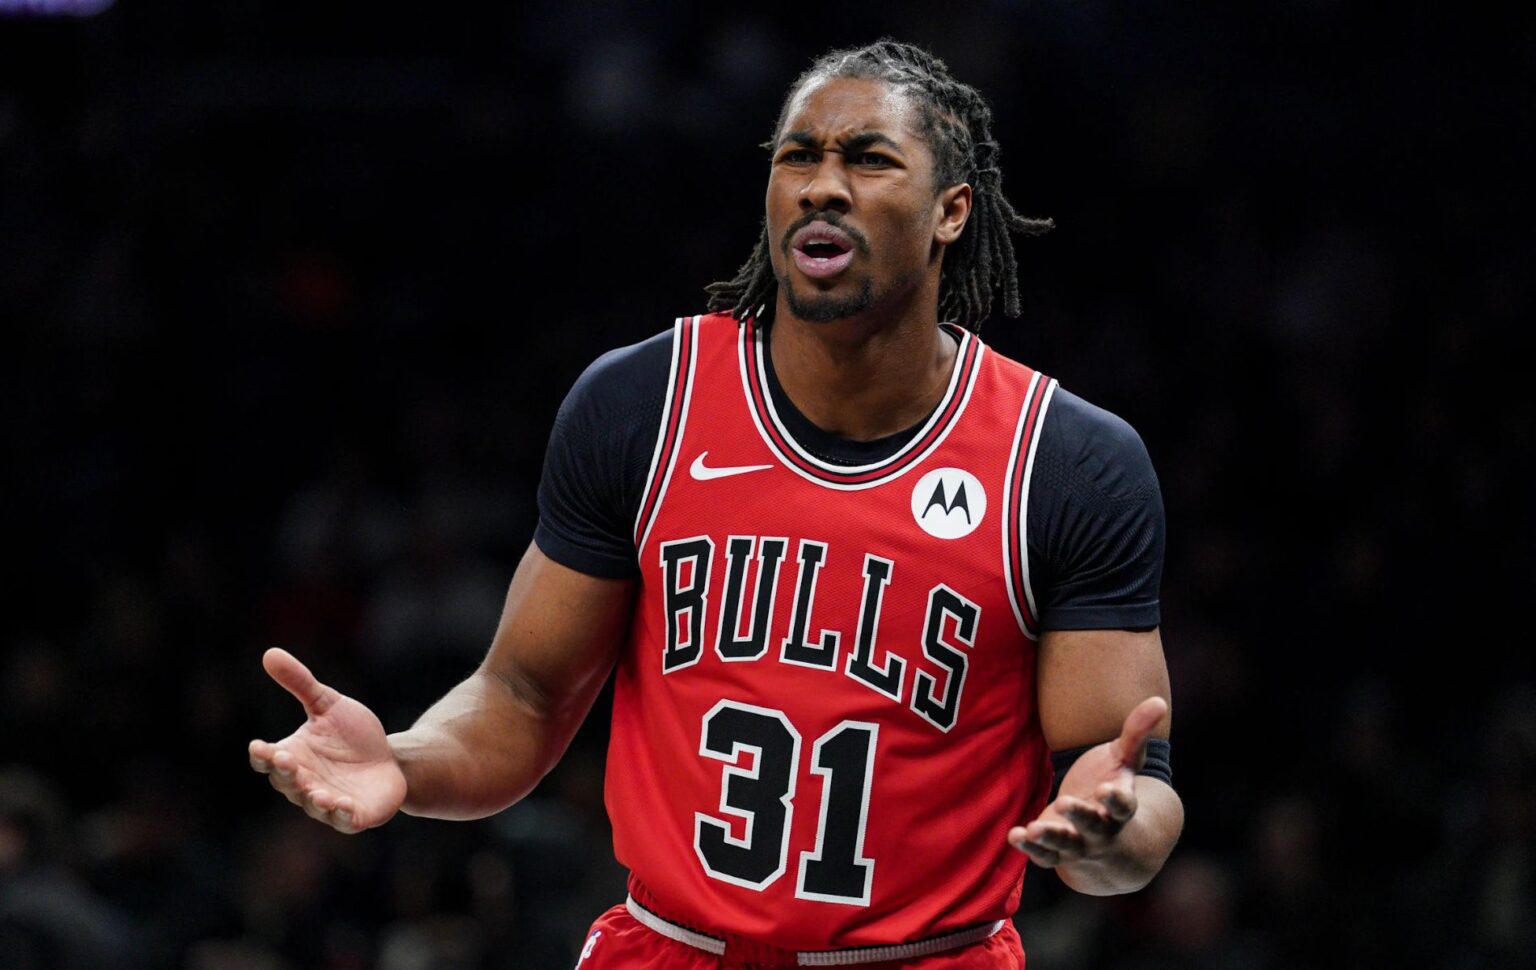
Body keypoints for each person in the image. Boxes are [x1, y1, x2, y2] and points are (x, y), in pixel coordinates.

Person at [249, 40, 1183, 968]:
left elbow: (1124, 783)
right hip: (669, 948)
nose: (822, 187)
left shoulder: (1065, 462)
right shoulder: (645, 403)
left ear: (951, 211)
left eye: (868, 159)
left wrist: (1112, 836)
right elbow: (522, 697)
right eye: (798, 157)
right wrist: (402, 762)